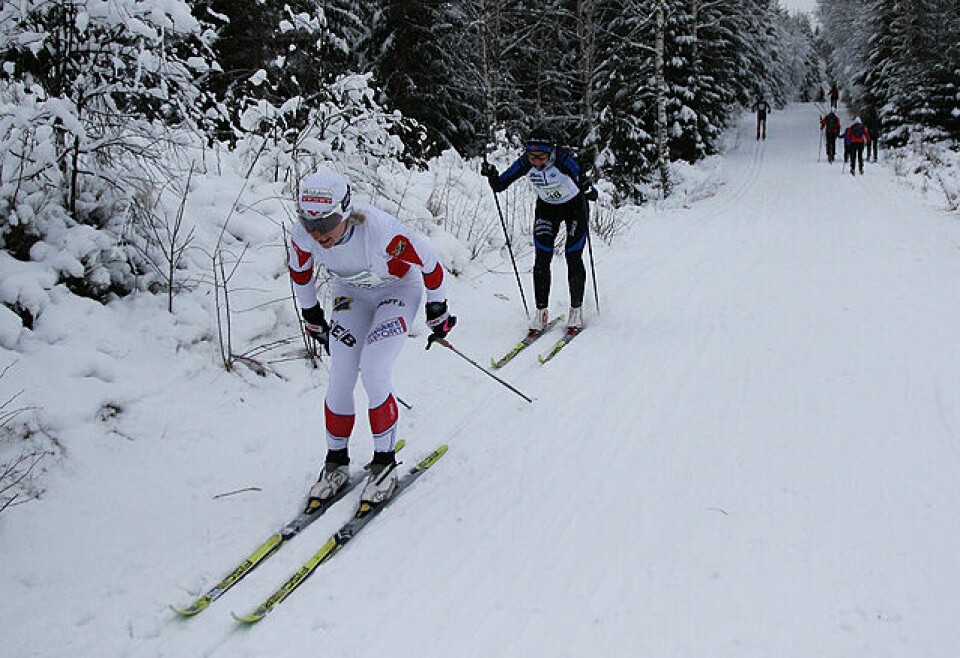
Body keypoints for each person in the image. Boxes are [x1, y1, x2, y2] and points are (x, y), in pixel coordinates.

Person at [288, 169, 456, 508]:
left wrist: (437, 308)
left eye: (327, 222)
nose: (318, 234)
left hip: (396, 292)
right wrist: (312, 316)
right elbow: (300, 272)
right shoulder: (303, 234)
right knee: (341, 375)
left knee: (374, 367)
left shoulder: (379, 231)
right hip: (352, 295)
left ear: (346, 210)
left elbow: (430, 263)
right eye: (310, 224)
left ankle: (384, 462)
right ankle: (336, 461)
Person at [481, 128, 597, 335]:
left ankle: (576, 310)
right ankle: (541, 311)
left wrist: (588, 187)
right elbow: (500, 185)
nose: (535, 162)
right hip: (547, 209)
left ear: (550, 152)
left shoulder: (563, 160)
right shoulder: (525, 162)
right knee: (542, 258)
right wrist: (491, 175)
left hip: (574, 208)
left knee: (573, 254)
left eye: (540, 157)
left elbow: (589, 190)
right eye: (531, 157)